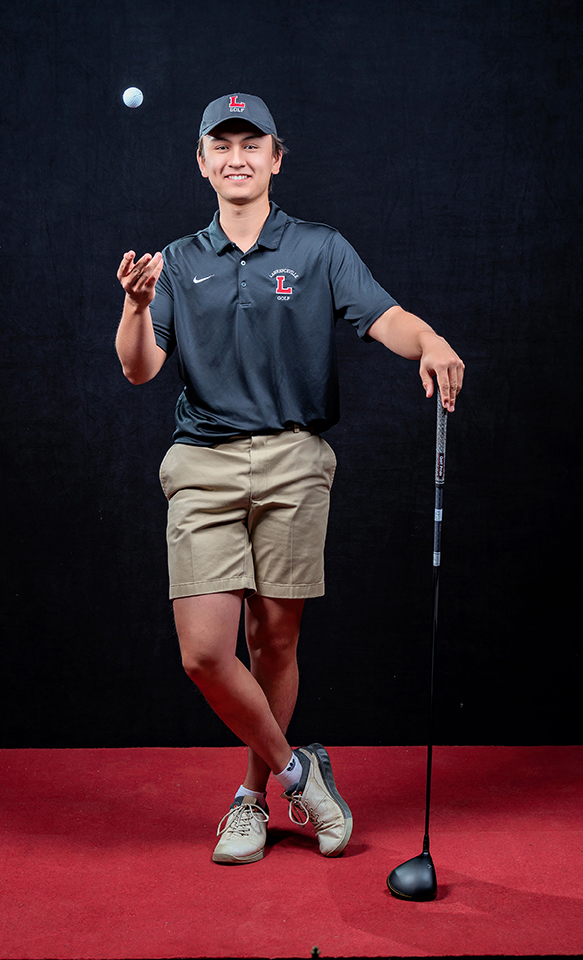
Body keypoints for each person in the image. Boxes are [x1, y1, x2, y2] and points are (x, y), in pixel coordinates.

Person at [115, 93, 464, 865]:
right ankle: (300, 771)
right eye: (221, 144)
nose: (236, 157)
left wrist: (432, 339)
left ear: (276, 156)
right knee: (206, 652)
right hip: (202, 463)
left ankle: (252, 795)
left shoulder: (319, 248)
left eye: (252, 143)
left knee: (272, 641)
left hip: (294, 460)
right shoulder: (174, 261)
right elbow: (140, 369)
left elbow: (386, 318)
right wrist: (136, 307)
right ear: (202, 161)